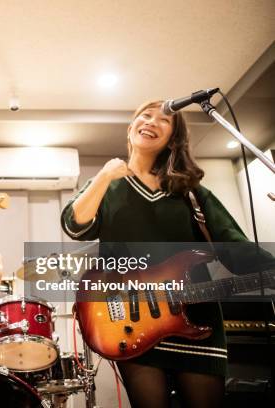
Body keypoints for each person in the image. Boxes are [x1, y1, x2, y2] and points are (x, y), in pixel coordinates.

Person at [60, 100, 255, 408]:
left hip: (198, 320)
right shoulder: (107, 187)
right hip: (132, 321)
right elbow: (74, 224)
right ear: (130, 128)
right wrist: (103, 177)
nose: (151, 121)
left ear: (173, 137)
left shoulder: (192, 192)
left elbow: (237, 249)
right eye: (145, 115)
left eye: (164, 120)